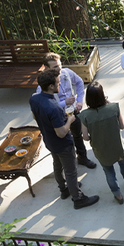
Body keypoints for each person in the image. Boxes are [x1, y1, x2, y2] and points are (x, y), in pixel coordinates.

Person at [29, 69, 99, 209]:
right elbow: (61, 133)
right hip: (62, 144)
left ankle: (64, 189)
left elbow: (36, 117)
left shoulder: (34, 98)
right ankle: (78, 198)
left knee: (57, 164)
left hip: (49, 141)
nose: (60, 85)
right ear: (51, 86)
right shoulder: (54, 107)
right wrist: (70, 120)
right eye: (58, 83)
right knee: (71, 171)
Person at [78, 82, 124, 204]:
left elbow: (85, 137)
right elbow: (122, 126)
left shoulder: (84, 115)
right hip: (117, 146)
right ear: (103, 95)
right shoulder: (114, 108)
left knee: (109, 171)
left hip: (101, 150)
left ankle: (118, 195)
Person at [36, 53, 97, 169]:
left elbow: (79, 82)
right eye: (55, 67)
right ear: (46, 68)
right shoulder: (42, 86)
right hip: (57, 116)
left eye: (60, 65)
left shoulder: (67, 72)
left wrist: (79, 101)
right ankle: (68, 163)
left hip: (73, 111)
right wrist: (64, 103)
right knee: (64, 139)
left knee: (77, 134)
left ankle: (82, 157)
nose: (59, 69)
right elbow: (45, 106)